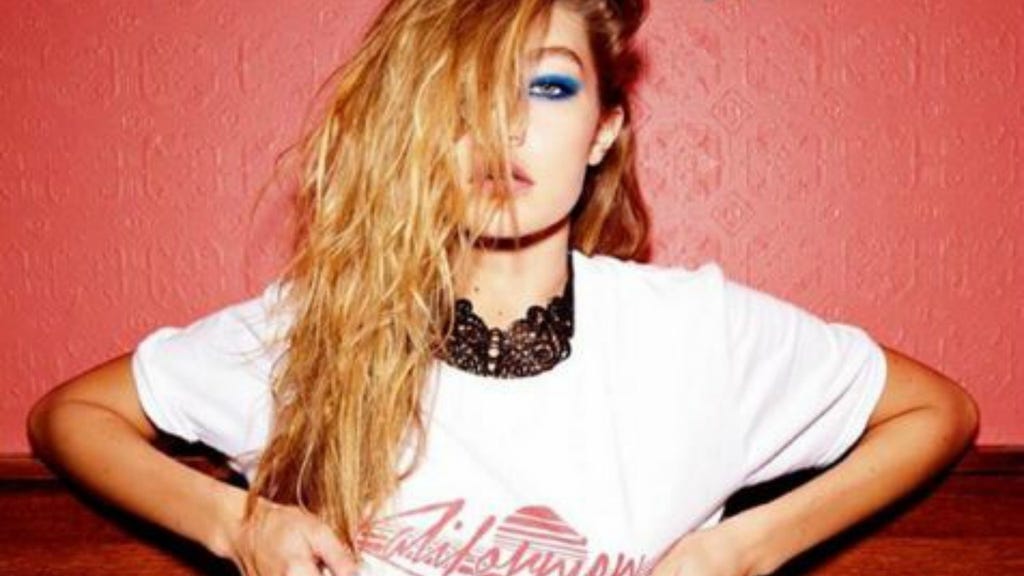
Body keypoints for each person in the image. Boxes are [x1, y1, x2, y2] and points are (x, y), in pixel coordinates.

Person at [27, 1, 979, 575]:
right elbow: (70, 415)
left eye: (547, 87)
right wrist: (238, 525)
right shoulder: (318, 333)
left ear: (604, 130)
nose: (500, 127)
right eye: (462, 94)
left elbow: (936, 408)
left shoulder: (695, 338)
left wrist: (746, 548)